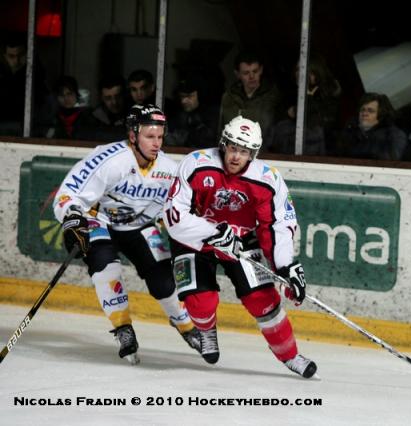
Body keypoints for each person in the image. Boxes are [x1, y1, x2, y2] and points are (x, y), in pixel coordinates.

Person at [163, 115, 317, 378]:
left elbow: (277, 225)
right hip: (193, 239)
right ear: (224, 144)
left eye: (243, 151)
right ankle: (207, 330)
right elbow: (173, 215)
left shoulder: (268, 180)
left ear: (253, 154)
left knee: (264, 301)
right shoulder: (197, 163)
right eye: (233, 148)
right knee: (200, 303)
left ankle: (290, 356)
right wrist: (211, 233)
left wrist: (286, 265)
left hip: (241, 239)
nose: (236, 156)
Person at [52, 104, 202, 364]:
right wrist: (73, 217)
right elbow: (66, 196)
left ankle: (186, 325)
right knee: (104, 263)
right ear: (133, 135)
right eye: (149, 136)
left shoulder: (168, 169)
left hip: (138, 225)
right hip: (96, 220)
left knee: (163, 280)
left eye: (159, 136)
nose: (156, 143)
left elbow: (180, 209)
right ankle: (123, 329)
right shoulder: (109, 160)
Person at [266, 54, 342, 155]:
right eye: (297, 69)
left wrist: (308, 100)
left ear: (317, 73)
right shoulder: (289, 94)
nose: (300, 73)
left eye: (306, 70)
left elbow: (317, 127)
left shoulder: (329, 96)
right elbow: (276, 126)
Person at [219, 50, 282, 138]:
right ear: (237, 74)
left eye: (255, 71)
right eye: (246, 73)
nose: (252, 76)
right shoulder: (228, 97)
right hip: (233, 149)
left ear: (261, 70)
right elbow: (221, 130)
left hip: (263, 150)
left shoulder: (273, 97)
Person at [335, 92, 407, 160]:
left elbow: (390, 160)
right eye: (362, 110)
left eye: (370, 111)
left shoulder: (393, 135)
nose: (364, 113)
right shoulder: (350, 131)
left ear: (381, 115)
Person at [165, 74, 218, 148]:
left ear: (200, 95)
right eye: (182, 96)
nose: (184, 101)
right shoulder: (175, 114)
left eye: (189, 96)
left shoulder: (211, 117)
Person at [45, 75, 94, 140]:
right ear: (56, 97)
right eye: (61, 95)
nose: (66, 98)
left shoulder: (89, 117)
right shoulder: (52, 119)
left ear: (76, 94)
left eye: (69, 94)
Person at [91, 74, 127, 141]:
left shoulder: (134, 114)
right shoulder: (92, 118)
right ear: (101, 98)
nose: (114, 102)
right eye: (108, 98)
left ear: (124, 95)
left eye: (118, 96)